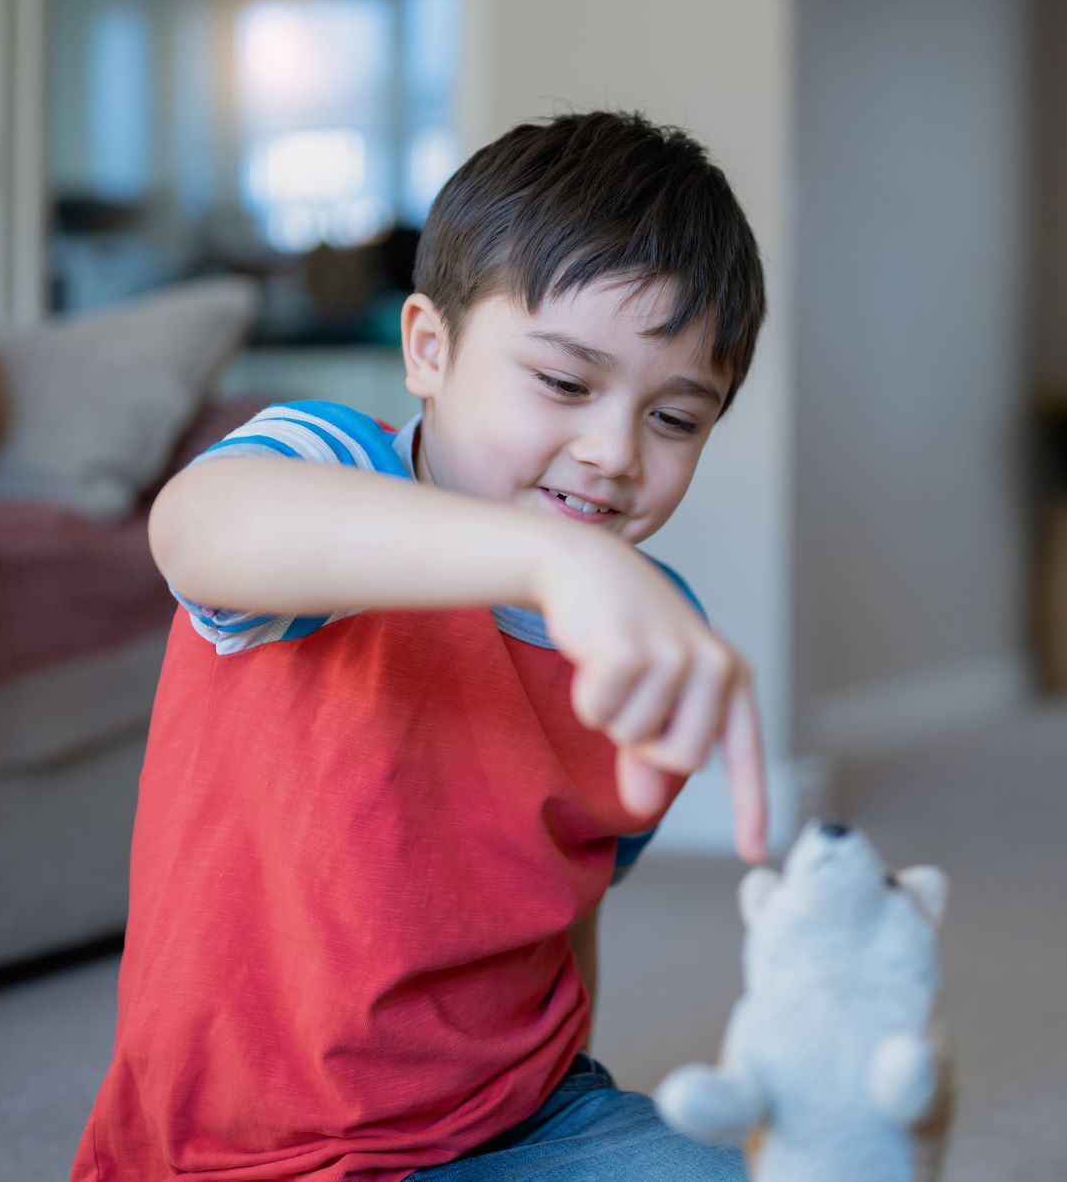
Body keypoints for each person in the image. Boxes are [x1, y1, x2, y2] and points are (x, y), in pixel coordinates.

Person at [71, 110, 770, 1182]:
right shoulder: (333, 467)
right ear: (428, 348)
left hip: (519, 1120)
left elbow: (563, 900)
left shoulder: (644, 631)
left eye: (676, 419)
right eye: (565, 383)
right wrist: (549, 562)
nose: (613, 452)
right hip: (232, 1152)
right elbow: (198, 525)